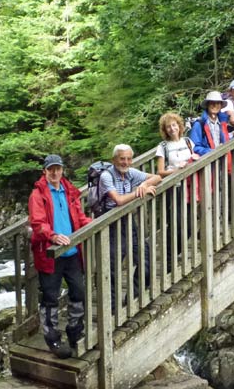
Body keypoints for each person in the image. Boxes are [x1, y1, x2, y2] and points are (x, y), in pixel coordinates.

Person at [28, 154, 92, 359]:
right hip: (49, 254)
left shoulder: (69, 191)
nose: (55, 173)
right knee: (50, 297)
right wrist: (53, 235)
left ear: (62, 170)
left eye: (58, 169)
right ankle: (52, 338)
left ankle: (75, 331)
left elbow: (78, 217)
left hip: (72, 251)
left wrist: (91, 223)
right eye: (51, 169)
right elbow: (38, 224)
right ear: (45, 171)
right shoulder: (37, 195)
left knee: (78, 292)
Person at [98, 144, 162, 304]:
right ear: (114, 160)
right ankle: (111, 306)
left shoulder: (130, 173)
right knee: (112, 265)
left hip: (128, 222)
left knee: (145, 258)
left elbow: (157, 177)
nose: (125, 162)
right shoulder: (106, 176)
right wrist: (138, 193)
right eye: (122, 159)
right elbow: (118, 201)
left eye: (128, 159)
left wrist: (144, 185)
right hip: (110, 224)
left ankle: (132, 299)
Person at [156, 113, 200, 271]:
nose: (172, 129)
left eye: (174, 125)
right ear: (165, 130)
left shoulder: (188, 142)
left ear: (179, 126)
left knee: (188, 224)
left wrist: (195, 159)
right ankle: (169, 259)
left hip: (190, 186)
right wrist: (176, 171)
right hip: (174, 189)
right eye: (168, 127)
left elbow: (197, 158)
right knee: (176, 224)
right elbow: (160, 172)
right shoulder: (163, 147)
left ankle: (176, 252)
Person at [190, 91, 232, 156]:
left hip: (224, 161)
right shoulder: (199, 124)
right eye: (212, 103)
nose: (215, 105)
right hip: (208, 163)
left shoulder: (223, 122)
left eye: (218, 103)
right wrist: (212, 151)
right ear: (207, 105)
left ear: (221, 105)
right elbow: (195, 147)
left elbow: (225, 139)